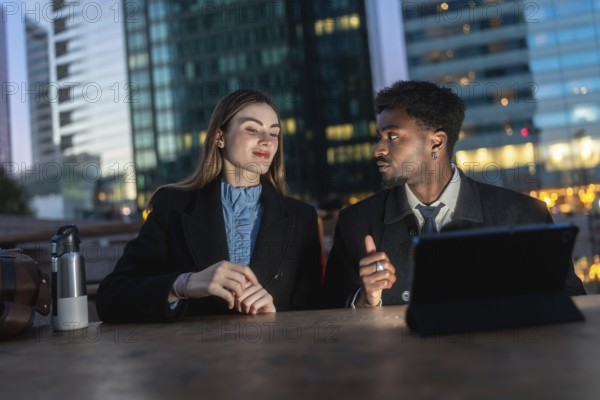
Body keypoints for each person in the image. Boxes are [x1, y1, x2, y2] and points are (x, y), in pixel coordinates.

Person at [322, 80, 586, 309]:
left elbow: (570, 300)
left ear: (436, 142)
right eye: (379, 137)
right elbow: (327, 315)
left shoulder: (524, 215)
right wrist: (364, 301)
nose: (377, 150)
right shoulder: (355, 223)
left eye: (392, 137)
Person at [96, 89, 323, 322]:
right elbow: (111, 298)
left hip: (273, 353)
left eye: (274, 133)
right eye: (252, 129)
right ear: (219, 137)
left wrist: (275, 315)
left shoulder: (302, 217)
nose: (267, 141)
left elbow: (315, 312)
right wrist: (184, 284)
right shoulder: (172, 206)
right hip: (193, 355)